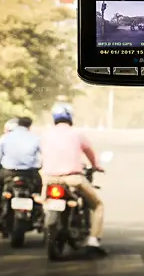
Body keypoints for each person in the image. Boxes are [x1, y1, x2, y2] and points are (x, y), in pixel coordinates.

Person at [40, 103, 105, 248]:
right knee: (98, 205)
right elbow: (90, 153)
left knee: (43, 202)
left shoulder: (45, 134)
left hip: (49, 178)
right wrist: (96, 166)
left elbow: (41, 153)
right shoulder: (77, 134)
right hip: (73, 179)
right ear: (70, 117)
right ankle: (94, 239)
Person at [0, 117, 42, 219]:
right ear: (29, 126)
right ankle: (38, 208)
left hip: (9, 172)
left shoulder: (6, 137)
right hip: (30, 173)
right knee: (38, 186)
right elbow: (43, 154)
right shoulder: (35, 138)